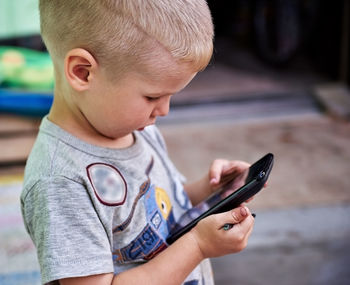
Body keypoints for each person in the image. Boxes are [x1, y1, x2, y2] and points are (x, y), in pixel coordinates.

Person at [20, 0, 256, 284]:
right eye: (153, 97)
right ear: (83, 72)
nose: (165, 110)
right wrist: (197, 246)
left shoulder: (138, 128)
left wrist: (211, 190)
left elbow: (158, 210)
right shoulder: (60, 183)